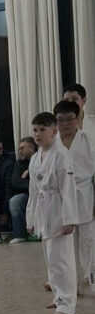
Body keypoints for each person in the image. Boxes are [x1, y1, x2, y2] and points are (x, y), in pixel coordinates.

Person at [26, 111, 78, 314]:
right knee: (50, 258)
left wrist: (70, 219)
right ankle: (58, 296)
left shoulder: (61, 154)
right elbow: (33, 191)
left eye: (42, 130)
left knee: (61, 259)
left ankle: (67, 303)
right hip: (43, 209)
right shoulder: (35, 157)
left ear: (54, 131)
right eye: (35, 130)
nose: (38, 134)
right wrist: (30, 218)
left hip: (59, 210)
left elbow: (68, 189)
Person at [53, 99, 95, 293]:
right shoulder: (52, 144)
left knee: (89, 240)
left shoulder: (88, 140)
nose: (65, 124)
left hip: (85, 192)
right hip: (60, 196)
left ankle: (92, 279)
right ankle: (72, 284)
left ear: (77, 119)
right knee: (66, 243)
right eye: (60, 120)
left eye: (69, 119)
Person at [8, 137, 38, 243]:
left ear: (31, 148)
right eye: (19, 149)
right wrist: (32, 184)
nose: (19, 151)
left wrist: (27, 176)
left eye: (22, 148)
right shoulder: (19, 164)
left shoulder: (42, 159)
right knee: (15, 201)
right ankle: (19, 234)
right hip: (27, 193)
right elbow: (15, 182)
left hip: (42, 193)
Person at [63, 83, 95, 148]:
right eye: (66, 100)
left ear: (84, 100)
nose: (70, 103)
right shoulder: (57, 126)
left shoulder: (93, 121)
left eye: (74, 99)